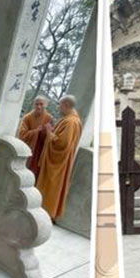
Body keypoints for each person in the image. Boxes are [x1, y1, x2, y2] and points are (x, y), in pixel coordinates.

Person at [35, 95, 83, 223]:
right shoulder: (70, 119)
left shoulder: (71, 122)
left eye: (60, 105)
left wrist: (50, 132)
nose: (58, 107)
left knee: (51, 186)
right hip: (60, 162)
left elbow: (62, 144)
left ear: (66, 105)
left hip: (57, 163)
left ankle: (46, 212)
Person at [16, 96, 53, 176]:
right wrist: (36, 132)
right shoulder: (27, 117)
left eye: (41, 104)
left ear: (45, 105)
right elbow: (22, 134)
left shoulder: (49, 118)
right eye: (36, 104)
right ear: (33, 105)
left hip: (41, 151)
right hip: (29, 148)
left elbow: (52, 135)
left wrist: (46, 132)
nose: (39, 106)